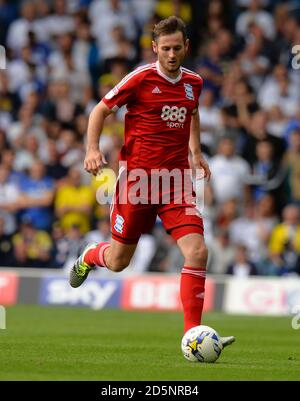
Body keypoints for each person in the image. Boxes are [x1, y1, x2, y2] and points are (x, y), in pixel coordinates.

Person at [69, 16, 234, 346]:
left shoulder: (194, 83)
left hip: (175, 182)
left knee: (198, 252)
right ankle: (89, 255)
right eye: (166, 49)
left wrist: (195, 152)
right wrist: (91, 149)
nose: (171, 55)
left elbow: (193, 112)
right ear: (155, 48)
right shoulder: (141, 78)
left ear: (186, 47)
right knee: (118, 262)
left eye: (177, 48)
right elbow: (99, 111)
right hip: (137, 183)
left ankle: (193, 334)